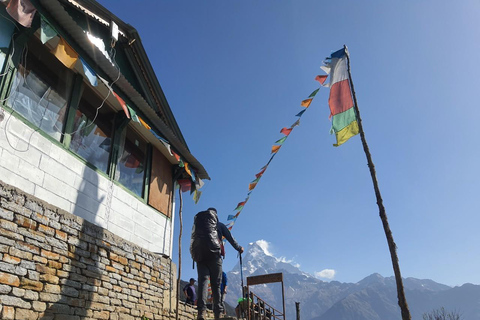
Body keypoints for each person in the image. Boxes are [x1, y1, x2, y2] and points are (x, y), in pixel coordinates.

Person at [192, 208, 244, 320]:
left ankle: (201, 312)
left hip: (200, 257)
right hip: (215, 257)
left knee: (202, 283)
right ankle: (217, 314)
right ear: (215, 216)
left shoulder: (199, 226)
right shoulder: (219, 226)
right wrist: (239, 248)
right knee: (216, 285)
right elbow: (230, 238)